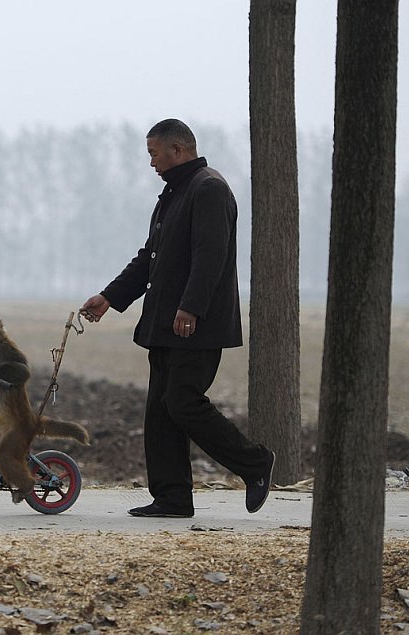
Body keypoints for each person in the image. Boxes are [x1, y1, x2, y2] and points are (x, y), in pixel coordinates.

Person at [80, 118, 275, 518]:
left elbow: (211, 256)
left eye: (154, 153)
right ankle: (172, 497)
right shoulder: (173, 194)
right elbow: (149, 258)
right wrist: (110, 297)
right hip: (166, 324)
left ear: (178, 150)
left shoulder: (208, 188)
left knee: (183, 403)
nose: (150, 162)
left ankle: (255, 463)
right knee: (160, 411)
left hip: (196, 325)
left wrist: (192, 307)